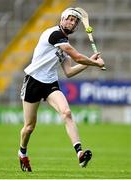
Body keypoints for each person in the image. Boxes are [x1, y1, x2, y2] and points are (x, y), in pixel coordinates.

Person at [18, 7, 105, 172]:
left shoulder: (64, 43)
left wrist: (90, 63)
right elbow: (78, 56)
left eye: (74, 21)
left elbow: (69, 72)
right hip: (33, 81)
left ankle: (79, 153)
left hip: (50, 83)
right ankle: (22, 153)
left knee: (66, 113)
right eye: (69, 19)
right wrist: (95, 63)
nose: (71, 23)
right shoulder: (55, 35)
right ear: (62, 19)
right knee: (29, 127)